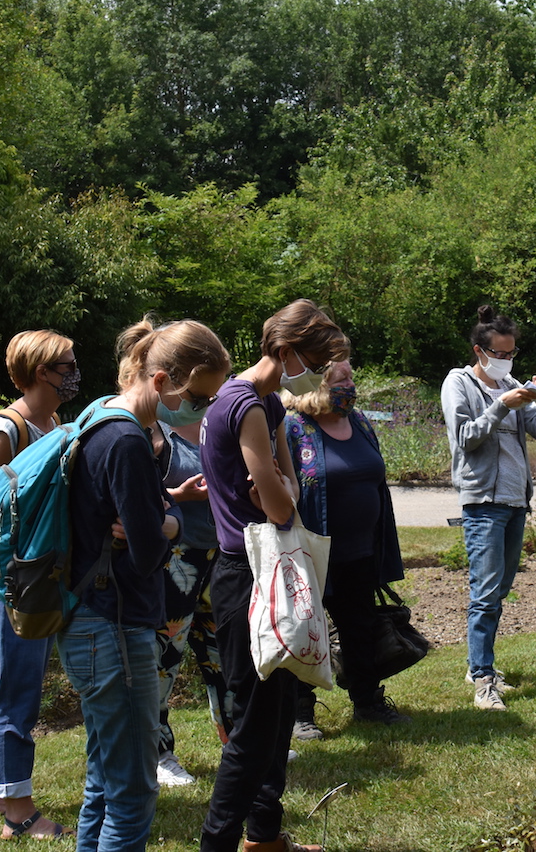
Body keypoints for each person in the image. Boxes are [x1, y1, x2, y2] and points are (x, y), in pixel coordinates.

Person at [58, 318, 230, 852]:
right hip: (115, 626)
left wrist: (165, 505)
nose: (201, 411)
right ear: (161, 381)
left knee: (102, 785)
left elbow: (127, 521)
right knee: (132, 795)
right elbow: (151, 548)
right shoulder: (129, 439)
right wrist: (172, 523)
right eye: (199, 397)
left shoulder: (96, 416)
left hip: (86, 619)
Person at [198, 298, 350, 852]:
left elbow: (285, 489)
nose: (318, 373)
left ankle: (263, 837)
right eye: (312, 360)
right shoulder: (246, 406)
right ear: (284, 351)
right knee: (254, 729)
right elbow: (283, 505)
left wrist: (281, 486)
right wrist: (281, 488)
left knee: (279, 714)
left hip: (267, 570)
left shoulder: (266, 403)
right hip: (249, 577)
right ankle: (216, 843)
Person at [0, 329, 79, 840]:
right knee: (20, 692)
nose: (75, 372)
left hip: (33, 577)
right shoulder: (7, 430)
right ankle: (17, 810)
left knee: (7, 684)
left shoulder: (52, 421)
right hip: (14, 586)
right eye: (66, 365)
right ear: (39, 374)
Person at [284, 360, 410, 738]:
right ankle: (299, 712)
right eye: (343, 379)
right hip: (309, 550)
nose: (352, 385)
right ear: (317, 384)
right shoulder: (292, 427)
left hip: (361, 549)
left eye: (352, 376)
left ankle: (367, 702)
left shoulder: (359, 422)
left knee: (360, 626)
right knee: (305, 628)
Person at [440, 305, 536, 712]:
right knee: (486, 593)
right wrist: (502, 405)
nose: (506, 361)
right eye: (500, 353)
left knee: (499, 590)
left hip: (514, 502)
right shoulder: (459, 383)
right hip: (483, 502)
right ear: (480, 350)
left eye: (512, 354)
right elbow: (466, 437)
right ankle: (483, 681)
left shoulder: (509, 382)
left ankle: (479, 665)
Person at [151, 412, 229, 786]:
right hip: (176, 561)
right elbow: (137, 497)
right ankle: (159, 754)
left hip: (221, 554)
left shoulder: (216, 421)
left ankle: (236, 740)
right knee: (165, 659)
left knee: (224, 652)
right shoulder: (156, 431)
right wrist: (181, 495)